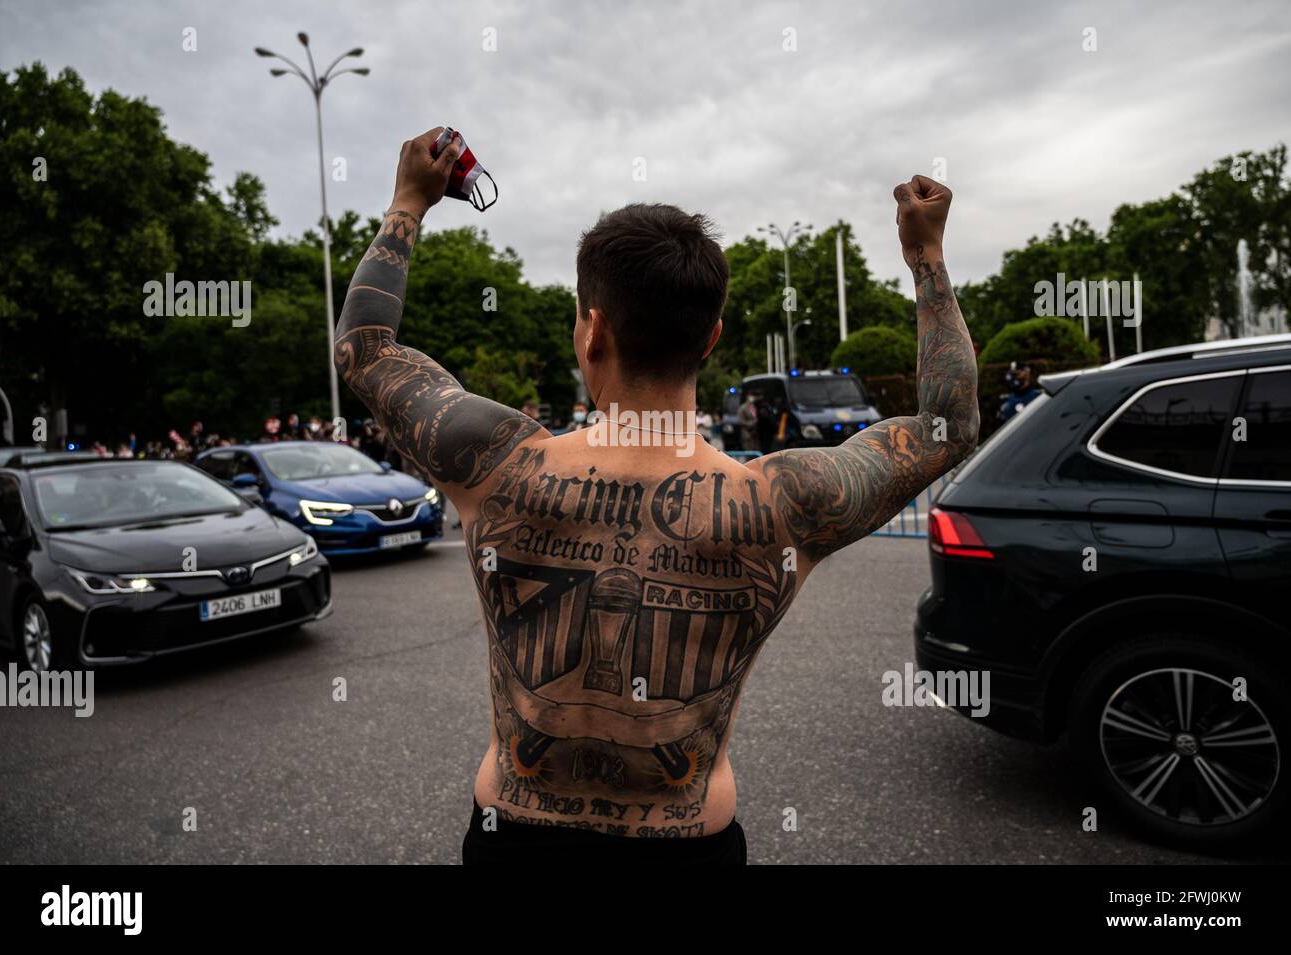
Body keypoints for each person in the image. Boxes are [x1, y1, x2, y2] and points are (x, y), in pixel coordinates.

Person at [332, 131, 978, 865]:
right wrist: (925, 252)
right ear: (710, 340)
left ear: (592, 332)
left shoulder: (499, 462)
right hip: (688, 841)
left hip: (512, 835)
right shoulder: (782, 500)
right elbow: (946, 425)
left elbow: (366, 348)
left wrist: (408, 201)